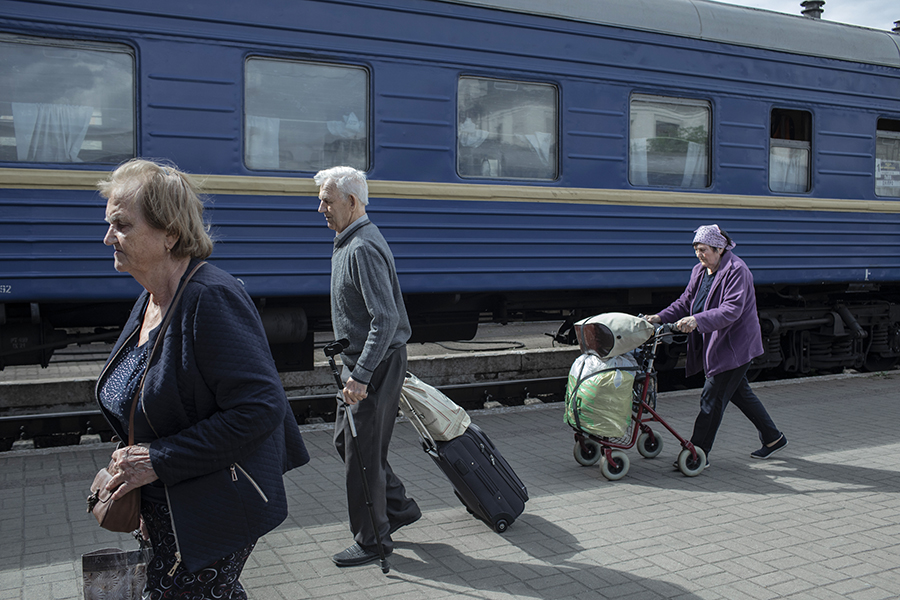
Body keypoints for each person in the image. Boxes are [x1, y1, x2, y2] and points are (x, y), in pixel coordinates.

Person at [96, 158, 309, 598]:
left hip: (212, 508)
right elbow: (150, 399)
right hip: (168, 507)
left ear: (169, 233)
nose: (107, 238)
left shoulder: (209, 299)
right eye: (108, 224)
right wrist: (133, 468)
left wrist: (158, 460)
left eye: (121, 226)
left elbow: (261, 408)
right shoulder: (152, 299)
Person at [315, 165, 421, 568]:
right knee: (352, 443)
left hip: (373, 365)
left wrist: (360, 374)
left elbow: (386, 318)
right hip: (362, 361)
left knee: (363, 452)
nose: (320, 208)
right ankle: (397, 509)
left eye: (327, 200)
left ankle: (373, 540)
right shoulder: (350, 241)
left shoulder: (361, 247)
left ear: (352, 202)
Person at [644, 224, 787, 465]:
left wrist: (697, 320)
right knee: (739, 393)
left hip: (734, 347)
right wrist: (660, 317)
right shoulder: (700, 271)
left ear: (719, 249)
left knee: (712, 398)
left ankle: (696, 454)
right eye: (696, 250)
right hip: (716, 342)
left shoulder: (737, 271)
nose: (699, 255)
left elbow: (731, 310)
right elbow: (685, 301)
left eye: (704, 250)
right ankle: (774, 438)